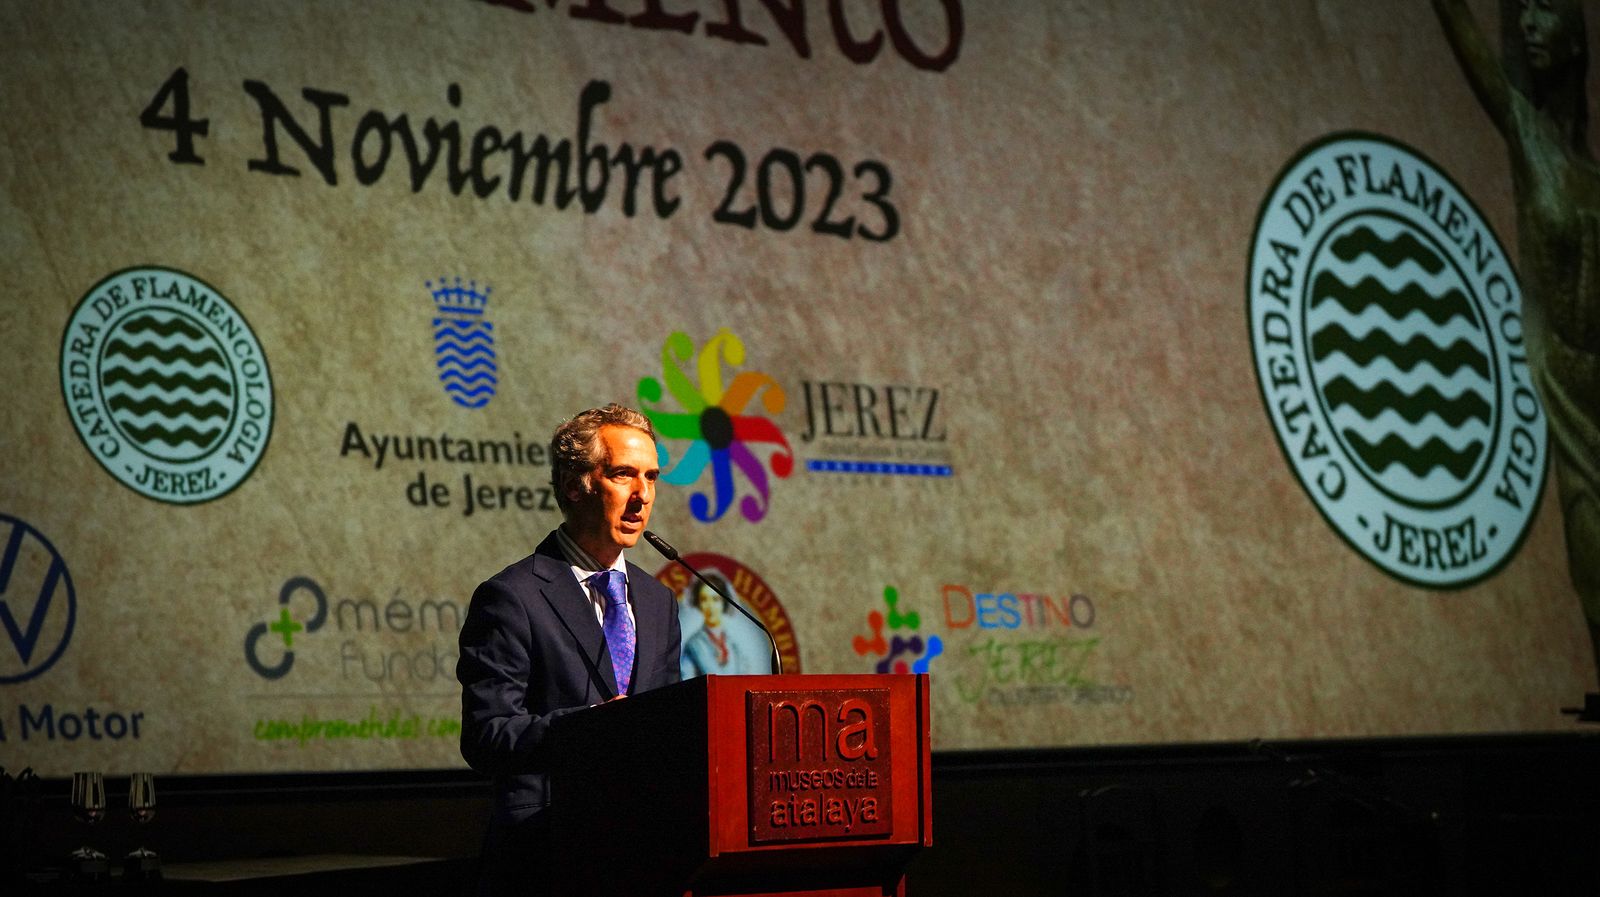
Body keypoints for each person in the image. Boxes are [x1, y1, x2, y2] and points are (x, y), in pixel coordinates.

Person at [1433, 0, 1600, 688]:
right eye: (1520, 12)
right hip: (1567, 384)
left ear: (1575, 38)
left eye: (1545, 12)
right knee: (1591, 552)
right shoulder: (1525, 133)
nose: (1528, 25)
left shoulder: (1589, 172)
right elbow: (1465, 33)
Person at [457, 404, 682, 893]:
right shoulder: (511, 597)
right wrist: (588, 731)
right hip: (546, 852)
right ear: (575, 485)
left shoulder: (657, 600)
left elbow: (667, 721)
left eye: (651, 477)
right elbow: (487, 734)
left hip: (646, 851)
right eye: (624, 475)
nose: (642, 496)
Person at [679, 573, 748, 677]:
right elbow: (686, 684)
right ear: (699, 603)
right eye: (704, 600)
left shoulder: (733, 645)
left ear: (723, 602)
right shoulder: (694, 645)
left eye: (715, 599)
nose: (710, 606)